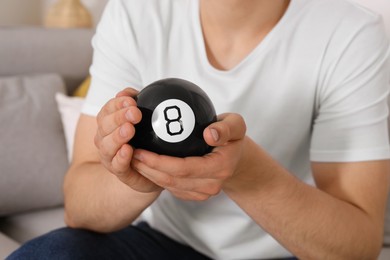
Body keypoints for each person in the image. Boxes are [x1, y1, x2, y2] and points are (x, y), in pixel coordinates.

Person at [8, 0, 390, 259]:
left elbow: (359, 245)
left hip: (287, 250)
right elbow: (80, 207)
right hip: (161, 243)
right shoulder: (135, 12)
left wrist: (246, 175)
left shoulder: (352, 33)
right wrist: (137, 176)